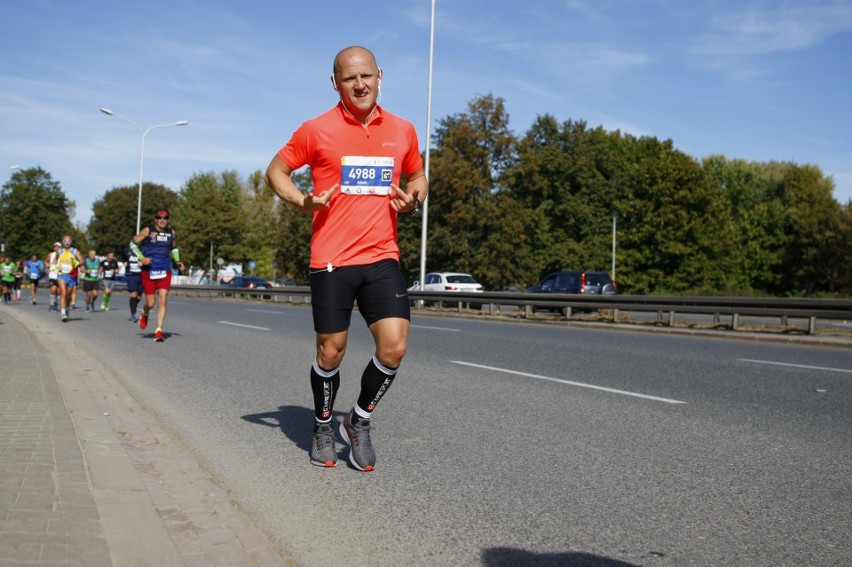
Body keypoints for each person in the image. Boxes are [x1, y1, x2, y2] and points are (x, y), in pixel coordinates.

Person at [265, 46, 427, 471]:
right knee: (331, 352)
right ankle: (322, 424)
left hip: (381, 256)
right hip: (332, 258)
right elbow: (275, 171)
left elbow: (417, 175)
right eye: (349, 78)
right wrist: (304, 200)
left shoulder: (403, 129)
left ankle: (358, 420)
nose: (360, 85)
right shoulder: (316, 129)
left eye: (366, 76)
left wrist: (413, 199)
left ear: (380, 76)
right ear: (335, 82)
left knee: (395, 346)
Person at [129, 208, 185, 342]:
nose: (162, 220)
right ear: (155, 219)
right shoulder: (147, 230)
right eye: (160, 218)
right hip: (149, 270)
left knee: (163, 298)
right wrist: (141, 257)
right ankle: (145, 312)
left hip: (165, 269)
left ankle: (159, 330)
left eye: (165, 218)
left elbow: (174, 248)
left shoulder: (171, 233)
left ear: (168, 220)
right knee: (151, 302)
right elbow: (132, 244)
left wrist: (177, 261)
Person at [56, 236, 83, 322]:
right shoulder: (60, 251)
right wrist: (53, 266)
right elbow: (56, 260)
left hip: (72, 275)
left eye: (68, 241)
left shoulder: (75, 251)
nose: (67, 242)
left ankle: (66, 309)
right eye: (65, 241)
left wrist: (75, 264)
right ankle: (63, 313)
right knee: (63, 293)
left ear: (71, 242)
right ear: (62, 242)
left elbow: (81, 261)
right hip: (61, 275)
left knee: (68, 295)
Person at [123, 244, 143, 322]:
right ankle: (133, 315)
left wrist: (143, 262)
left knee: (138, 297)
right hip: (131, 275)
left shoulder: (144, 249)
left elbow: (149, 260)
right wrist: (125, 262)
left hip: (141, 275)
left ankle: (133, 304)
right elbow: (123, 258)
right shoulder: (127, 250)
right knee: (133, 294)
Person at [45, 242, 61, 312]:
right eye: (56, 247)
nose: (57, 248)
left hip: (61, 275)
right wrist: (47, 266)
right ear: (54, 248)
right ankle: (52, 304)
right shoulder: (51, 254)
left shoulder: (63, 255)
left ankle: (56, 304)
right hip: (53, 274)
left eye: (58, 247)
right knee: (53, 290)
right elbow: (46, 261)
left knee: (58, 291)